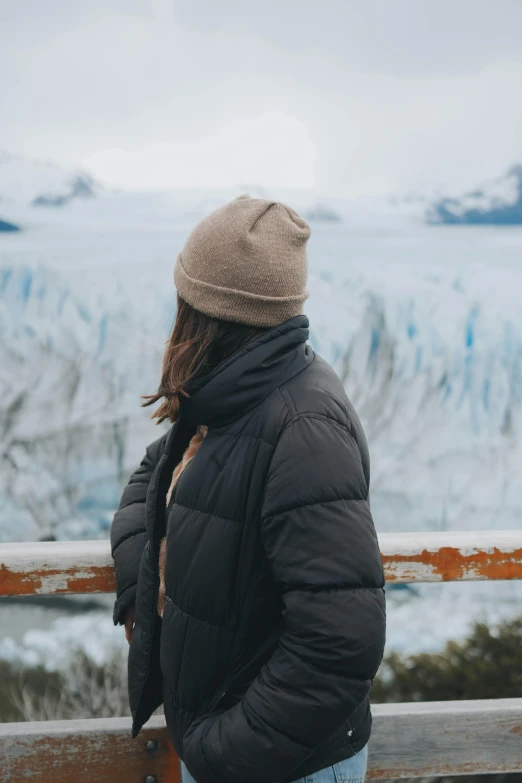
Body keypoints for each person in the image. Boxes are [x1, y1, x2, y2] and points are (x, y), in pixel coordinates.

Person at [111, 195, 386, 783]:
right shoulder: (233, 402)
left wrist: (220, 752)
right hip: (239, 751)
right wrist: (145, 576)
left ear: (209, 313)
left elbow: (341, 644)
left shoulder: (303, 428)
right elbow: (151, 476)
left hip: (278, 765)